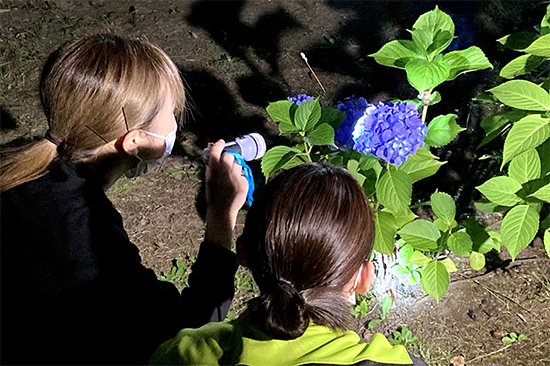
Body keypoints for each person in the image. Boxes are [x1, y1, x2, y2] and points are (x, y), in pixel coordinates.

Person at [0, 33, 248, 365]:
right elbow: (182, 336)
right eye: (171, 113)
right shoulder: (88, 235)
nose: (176, 125)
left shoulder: (19, 168)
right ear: (134, 141)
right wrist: (220, 218)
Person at [150, 163, 426, 366]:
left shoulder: (184, 354)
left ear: (242, 253)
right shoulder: (398, 363)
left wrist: (220, 217)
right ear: (364, 278)